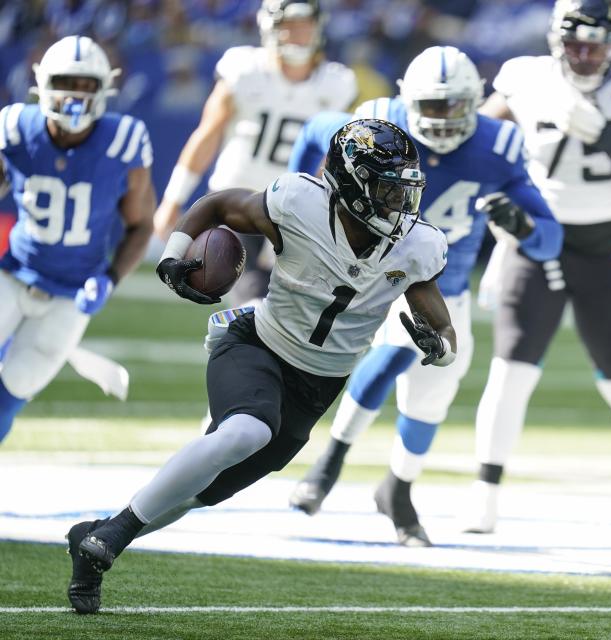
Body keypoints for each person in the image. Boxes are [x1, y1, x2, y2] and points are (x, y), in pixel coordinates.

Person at [66, 119, 451, 615]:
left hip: (316, 388)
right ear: (351, 183)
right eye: (386, 188)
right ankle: (112, 539)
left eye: (404, 190)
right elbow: (221, 204)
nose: (399, 202)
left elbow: (444, 329)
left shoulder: (417, 245)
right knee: (245, 432)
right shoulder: (300, 202)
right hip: (258, 344)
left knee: (197, 495)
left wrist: (439, 347)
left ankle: (95, 539)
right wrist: (175, 253)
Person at [286, 46, 562, 546]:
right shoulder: (377, 125)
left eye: (452, 106)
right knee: (395, 352)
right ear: (406, 100)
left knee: (429, 401)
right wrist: (300, 194)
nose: (440, 119)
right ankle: (329, 463)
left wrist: (520, 224)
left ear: (475, 102)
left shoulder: (497, 147)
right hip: (381, 275)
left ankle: (398, 488)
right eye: (431, 106)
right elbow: (312, 134)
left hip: (447, 288)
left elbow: (550, 239)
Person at [466, 0, 611, 535]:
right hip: (536, 238)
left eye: (596, 44)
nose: (585, 56)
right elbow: (476, 143)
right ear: (555, 41)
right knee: (512, 369)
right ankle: (485, 491)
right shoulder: (526, 80)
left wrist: (608, 138)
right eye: (575, 44)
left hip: (606, 245)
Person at [0, 35, 154, 443]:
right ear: (42, 83)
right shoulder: (15, 128)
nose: (76, 95)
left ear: (105, 88)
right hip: (13, 274)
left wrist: (109, 278)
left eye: (87, 85)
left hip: (72, 291)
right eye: (67, 81)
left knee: (12, 390)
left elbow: (141, 226)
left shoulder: (123, 141)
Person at [153, 0, 357, 303]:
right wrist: (173, 199)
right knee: (250, 295)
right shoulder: (245, 69)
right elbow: (208, 134)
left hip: (294, 209)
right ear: (270, 26)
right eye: (291, 25)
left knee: (292, 305)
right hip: (237, 200)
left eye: (305, 24)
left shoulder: (337, 82)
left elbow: (333, 158)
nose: (299, 33)